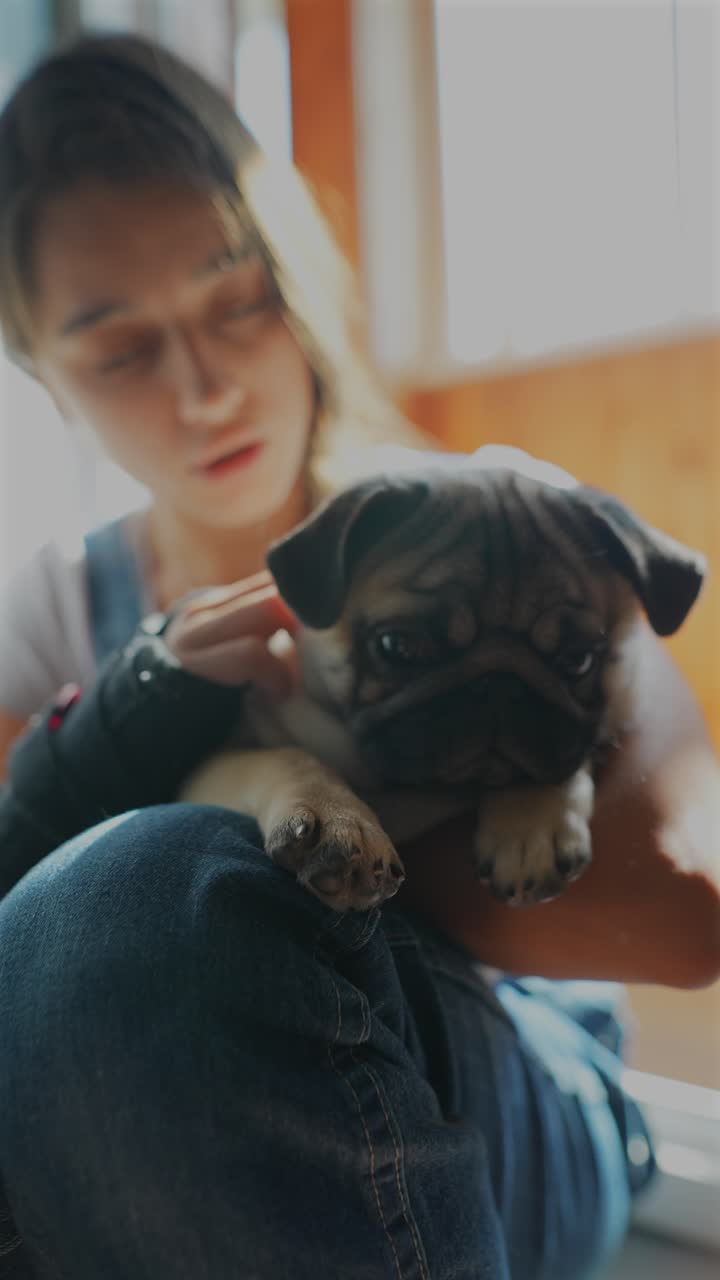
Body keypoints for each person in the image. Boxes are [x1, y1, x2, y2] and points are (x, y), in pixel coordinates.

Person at [0, 32, 717, 1280]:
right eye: (121, 348)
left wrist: (284, 850)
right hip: (160, 1127)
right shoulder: (47, 613)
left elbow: (680, 910)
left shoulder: (513, 517)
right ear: (40, 370)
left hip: (509, 1096)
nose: (205, 387)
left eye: (238, 301)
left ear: (303, 285)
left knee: (145, 894)